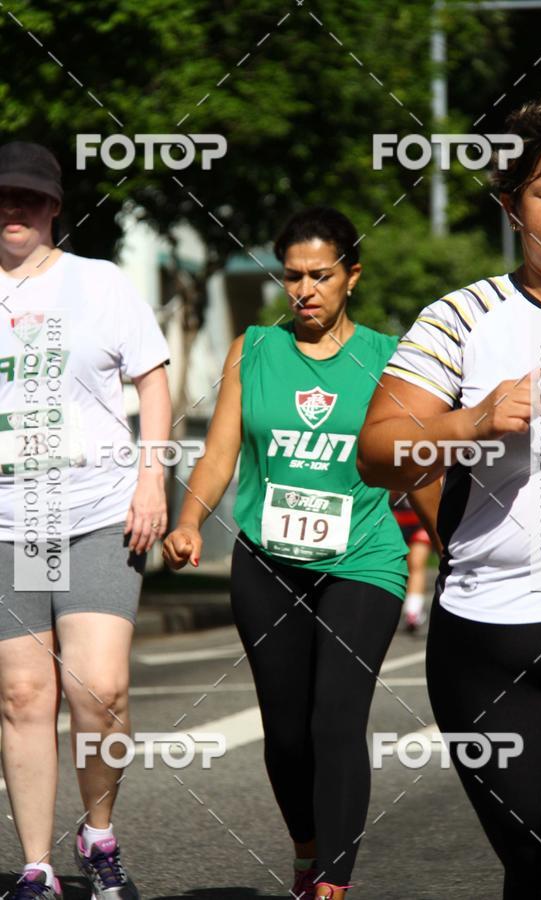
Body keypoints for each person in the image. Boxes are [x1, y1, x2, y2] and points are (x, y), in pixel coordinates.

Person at [357, 86, 541, 899]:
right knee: (536, 871)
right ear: (511, 206)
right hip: (489, 637)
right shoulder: (462, 318)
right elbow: (379, 454)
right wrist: (471, 422)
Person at [162, 207, 408, 900]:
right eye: (292, 276)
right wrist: (188, 522)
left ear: (352, 276)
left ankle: (333, 883)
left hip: (363, 560)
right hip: (269, 562)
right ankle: (308, 851)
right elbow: (220, 454)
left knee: (336, 719)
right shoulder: (255, 349)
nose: (304, 289)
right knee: (287, 734)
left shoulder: (389, 358)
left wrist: (457, 554)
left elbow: (416, 467)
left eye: (320, 275)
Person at [0, 142, 172, 900]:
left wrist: (153, 476)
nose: (15, 209)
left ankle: (97, 834)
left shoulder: (99, 283)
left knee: (99, 690)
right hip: (13, 523)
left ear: (55, 206)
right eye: (3, 196)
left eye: (30, 197)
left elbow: (153, 382)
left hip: (99, 510)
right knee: (23, 695)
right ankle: (37, 867)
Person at [389, 492, 433, 631]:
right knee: (393, 567)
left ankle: (413, 611)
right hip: (395, 520)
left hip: (420, 521)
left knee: (416, 565)